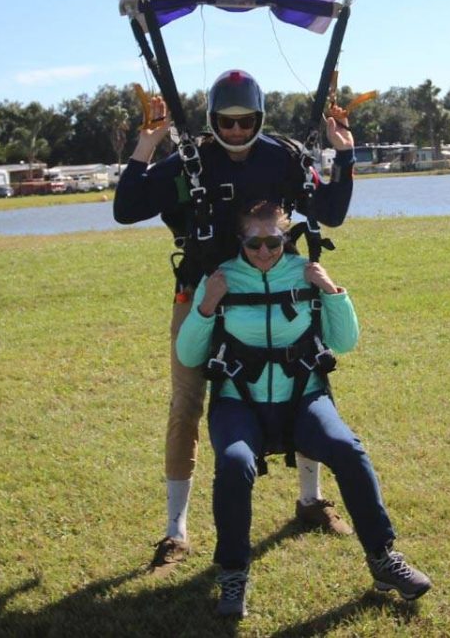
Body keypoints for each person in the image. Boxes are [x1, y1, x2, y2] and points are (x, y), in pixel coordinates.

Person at [113, 69, 357, 573]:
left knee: (302, 388)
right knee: (186, 405)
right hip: (205, 296)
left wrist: (345, 154)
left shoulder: (284, 157)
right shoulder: (190, 160)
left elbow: (330, 212)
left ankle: (310, 502)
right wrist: (146, 145)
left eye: (246, 122)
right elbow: (126, 208)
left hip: (277, 295)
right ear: (212, 120)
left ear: (259, 118)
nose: (238, 132)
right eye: (227, 123)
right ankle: (175, 532)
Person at [177, 200, 432, 617]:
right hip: (239, 401)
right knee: (234, 463)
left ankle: (384, 559)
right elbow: (188, 354)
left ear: (285, 238)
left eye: (273, 242)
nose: (264, 252)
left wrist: (331, 291)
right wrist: (207, 305)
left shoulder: (304, 274)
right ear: (241, 240)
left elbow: (344, 341)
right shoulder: (219, 278)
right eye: (254, 243)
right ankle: (233, 574)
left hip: (303, 399)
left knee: (348, 449)